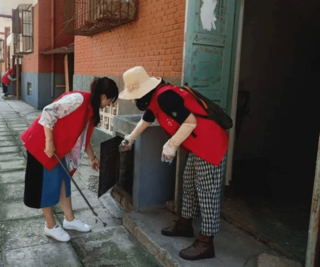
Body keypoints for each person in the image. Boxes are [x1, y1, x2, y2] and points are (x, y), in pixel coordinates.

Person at [119, 66, 229, 260]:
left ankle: (206, 242)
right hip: (199, 145)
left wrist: (172, 144)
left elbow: (190, 121)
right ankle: (185, 224)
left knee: (207, 192)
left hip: (210, 144)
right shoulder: (156, 98)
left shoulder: (165, 96)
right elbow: (146, 120)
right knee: (188, 182)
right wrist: (131, 138)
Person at [20, 77, 119, 242]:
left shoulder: (91, 107)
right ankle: (50, 226)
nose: (109, 104)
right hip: (42, 145)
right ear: (103, 96)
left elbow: (82, 136)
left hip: (57, 150)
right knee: (47, 186)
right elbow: (48, 111)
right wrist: (49, 142)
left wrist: (92, 158)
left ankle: (69, 220)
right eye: (110, 100)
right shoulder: (79, 99)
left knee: (64, 182)